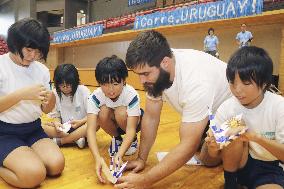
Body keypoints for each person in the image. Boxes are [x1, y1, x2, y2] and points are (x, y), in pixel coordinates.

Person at [114, 30, 232, 189]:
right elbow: (151, 117)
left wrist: (145, 180)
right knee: (196, 141)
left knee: (207, 158)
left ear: (165, 63)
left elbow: (188, 146)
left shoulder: (196, 81)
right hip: (207, 112)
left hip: (234, 114)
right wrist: (142, 158)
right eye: (138, 74)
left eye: (145, 74)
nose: (142, 80)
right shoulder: (157, 70)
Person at [206, 46, 284, 189]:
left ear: (265, 83)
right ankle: (231, 184)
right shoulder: (227, 107)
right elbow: (213, 154)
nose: (237, 90)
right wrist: (213, 145)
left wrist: (255, 138)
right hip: (239, 166)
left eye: (246, 83)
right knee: (234, 125)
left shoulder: (279, 106)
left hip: (271, 169)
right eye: (232, 82)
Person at [0, 18, 64, 188]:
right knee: (34, 175)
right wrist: (21, 95)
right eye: (29, 50)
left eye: (38, 52)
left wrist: (51, 100)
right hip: (4, 132)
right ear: (14, 44)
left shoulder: (41, 70)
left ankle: (24, 154)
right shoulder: (1, 66)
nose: (33, 56)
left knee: (56, 166)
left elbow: (45, 109)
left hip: (33, 129)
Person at [87, 55, 143, 183]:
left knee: (121, 112)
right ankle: (117, 139)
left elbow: (131, 129)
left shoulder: (131, 94)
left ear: (124, 81)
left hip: (130, 123)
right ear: (99, 83)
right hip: (112, 120)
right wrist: (97, 158)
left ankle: (133, 141)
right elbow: (90, 130)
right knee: (102, 112)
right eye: (105, 84)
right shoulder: (95, 97)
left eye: (115, 83)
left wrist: (120, 155)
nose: (110, 90)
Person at [42, 64, 90, 149]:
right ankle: (75, 138)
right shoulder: (55, 93)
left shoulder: (83, 91)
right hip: (64, 128)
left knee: (93, 124)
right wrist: (57, 123)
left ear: (75, 82)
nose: (65, 88)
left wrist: (81, 122)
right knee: (42, 127)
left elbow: (92, 114)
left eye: (68, 85)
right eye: (62, 85)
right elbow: (56, 115)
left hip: (81, 126)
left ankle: (62, 141)